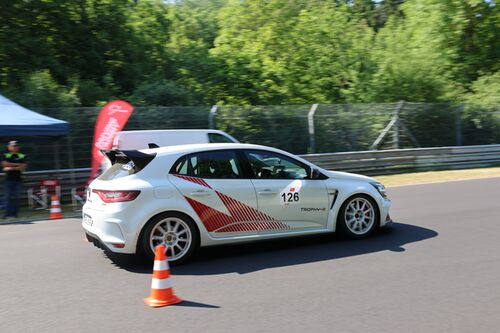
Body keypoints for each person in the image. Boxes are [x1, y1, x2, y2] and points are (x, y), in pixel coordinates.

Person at [2, 141, 27, 218]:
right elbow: (4, 164)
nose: (14, 147)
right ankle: (7, 214)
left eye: (16, 146)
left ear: (18, 147)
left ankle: (15, 214)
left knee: (17, 197)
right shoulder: (6, 155)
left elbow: (23, 166)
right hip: (8, 180)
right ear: (9, 147)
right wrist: (17, 164)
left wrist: (11, 167)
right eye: (13, 146)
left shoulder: (22, 155)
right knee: (8, 197)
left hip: (18, 180)